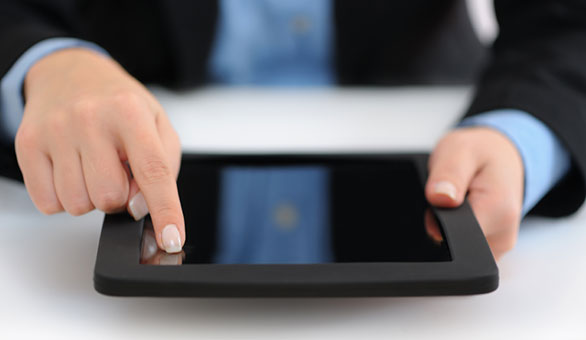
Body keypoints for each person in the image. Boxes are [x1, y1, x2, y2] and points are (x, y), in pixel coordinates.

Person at [0, 0, 585, 261]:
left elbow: (567, 24)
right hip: (123, 103)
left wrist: (522, 129)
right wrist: (48, 64)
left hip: (427, 99)